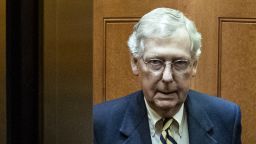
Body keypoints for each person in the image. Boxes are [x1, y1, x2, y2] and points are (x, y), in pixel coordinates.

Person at [93, 7, 241, 144]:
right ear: (135, 62)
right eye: (155, 62)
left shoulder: (226, 118)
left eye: (180, 63)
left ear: (194, 65)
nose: (167, 77)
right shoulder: (99, 123)